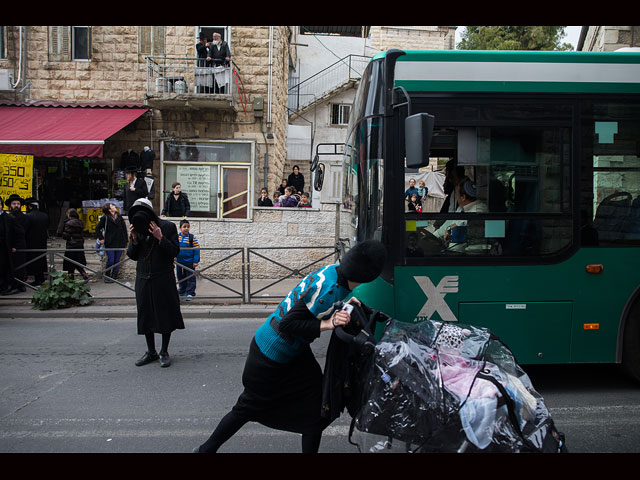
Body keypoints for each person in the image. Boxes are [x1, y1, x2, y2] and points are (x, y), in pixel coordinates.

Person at [193, 240, 387, 453]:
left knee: (318, 408)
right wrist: (328, 323)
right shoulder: (331, 290)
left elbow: (309, 304)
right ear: (366, 278)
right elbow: (289, 324)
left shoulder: (334, 271)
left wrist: (345, 306)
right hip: (270, 356)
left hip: (293, 351)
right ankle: (205, 450)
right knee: (245, 409)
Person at [126, 198, 184, 368]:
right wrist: (135, 240)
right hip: (143, 278)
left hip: (163, 278)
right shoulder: (138, 229)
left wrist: (160, 237)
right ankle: (150, 351)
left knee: (164, 314)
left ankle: (164, 351)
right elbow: (132, 255)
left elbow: (174, 251)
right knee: (146, 315)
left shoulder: (168, 227)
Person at [432, 178, 487, 245]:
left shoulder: (479, 210)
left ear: (463, 197)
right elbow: (447, 226)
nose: (456, 198)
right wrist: (433, 236)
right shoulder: (461, 209)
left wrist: (450, 231)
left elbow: (464, 228)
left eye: (457, 195)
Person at [96, 202, 128, 283]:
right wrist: (101, 238)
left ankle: (114, 276)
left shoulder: (120, 218)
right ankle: (107, 275)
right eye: (112, 206)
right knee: (111, 260)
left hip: (120, 242)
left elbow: (124, 230)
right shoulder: (105, 218)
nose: (114, 206)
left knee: (117, 260)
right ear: (109, 209)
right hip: (110, 242)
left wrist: (126, 240)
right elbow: (97, 228)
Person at [5, 194, 28, 293]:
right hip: (10, 246)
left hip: (19, 246)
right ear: (10, 205)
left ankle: (19, 285)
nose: (16, 205)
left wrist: (16, 246)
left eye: (18, 204)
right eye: (14, 204)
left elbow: (22, 233)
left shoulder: (23, 217)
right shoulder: (8, 216)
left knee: (20, 267)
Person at [24, 197, 49, 286]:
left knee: (33, 261)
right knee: (41, 260)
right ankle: (40, 278)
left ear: (29, 206)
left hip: (31, 243)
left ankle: (37, 279)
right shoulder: (44, 215)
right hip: (42, 242)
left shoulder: (28, 216)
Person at [62, 208, 89, 282]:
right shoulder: (81, 222)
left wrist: (64, 234)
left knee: (70, 263)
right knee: (77, 262)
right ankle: (84, 274)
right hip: (79, 244)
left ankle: (71, 279)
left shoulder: (69, 223)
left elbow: (66, 235)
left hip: (71, 245)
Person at [176, 219, 200, 301]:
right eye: (184, 227)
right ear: (180, 228)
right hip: (179, 262)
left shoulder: (191, 237)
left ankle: (190, 292)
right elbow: (174, 248)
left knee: (190, 278)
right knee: (180, 277)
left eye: (188, 227)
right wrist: (174, 256)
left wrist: (195, 261)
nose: (186, 228)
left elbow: (196, 250)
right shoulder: (177, 237)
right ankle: (182, 290)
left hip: (189, 262)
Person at [0, 198, 17, 294]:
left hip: (4, 247)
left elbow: (16, 233)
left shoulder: (8, 218)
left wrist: (14, 245)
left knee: (4, 267)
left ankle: (4, 287)